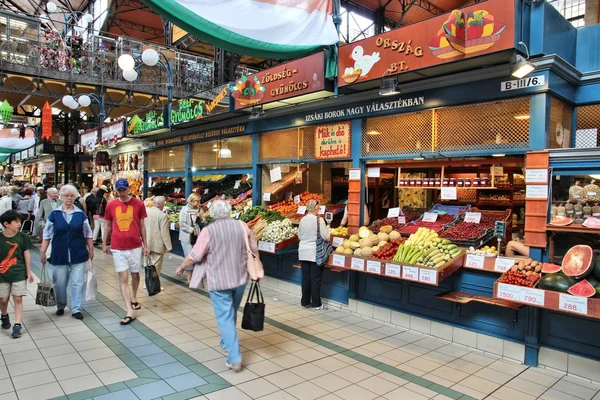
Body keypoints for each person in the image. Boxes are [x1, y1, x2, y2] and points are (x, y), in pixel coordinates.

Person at [176, 200, 257, 372]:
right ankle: (226, 341)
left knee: (225, 317)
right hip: (240, 278)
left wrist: (182, 266)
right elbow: (253, 248)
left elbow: (195, 255)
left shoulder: (209, 231)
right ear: (228, 211)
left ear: (212, 214)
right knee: (231, 312)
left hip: (219, 280)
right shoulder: (242, 226)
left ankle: (234, 357)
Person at [40, 185, 94, 320]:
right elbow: (47, 234)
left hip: (78, 252)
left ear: (75, 197)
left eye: (71, 196)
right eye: (66, 196)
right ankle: (61, 304)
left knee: (78, 282)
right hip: (59, 253)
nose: (69, 198)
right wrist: (43, 251)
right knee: (60, 282)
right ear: (61, 197)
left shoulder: (80, 214)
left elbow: (88, 233)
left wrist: (91, 249)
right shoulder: (55, 214)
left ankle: (76, 308)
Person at [103, 178, 150, 325]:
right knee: (123, 278)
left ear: (128, 189)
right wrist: (105, 243)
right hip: (118, 247)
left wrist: (146, 244)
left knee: (135, 274)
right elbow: (108, 226)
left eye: (124, 189)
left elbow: (142, 226)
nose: (122, 192)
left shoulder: (139, 204)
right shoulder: (111, 205)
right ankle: (129, 310)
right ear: (116, 190)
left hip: (135, 245)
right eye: (119, 190)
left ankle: (134, 297)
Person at [0, 210, 34, 338]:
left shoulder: (23, 237)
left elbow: (26, 253)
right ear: (6, 224)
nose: (19, 224)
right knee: (3, 299)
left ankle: (17, 325)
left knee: (18, 297)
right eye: (16, 222)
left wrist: (28, 271)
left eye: (19, 221)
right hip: (2, 274)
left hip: (18, 271)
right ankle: (4, 315)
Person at [298, 199, 330, 311]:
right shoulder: (319, 220)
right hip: (314, 252)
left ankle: (305, 302)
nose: (319, 209)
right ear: (316, 208)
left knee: (305, 278)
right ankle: (316, 303)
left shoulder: (302, 220)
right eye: (319, 207)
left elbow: (299, 236)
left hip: (302, 252)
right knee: (315, 279)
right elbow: (326, 237)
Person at [143, 195, 172, 290]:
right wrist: (169, 246)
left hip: (146, 242)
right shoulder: (162, 216)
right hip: (157, 243)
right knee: (156, 265)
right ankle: (153, 284)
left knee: (147, 263)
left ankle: (146, 282)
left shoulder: (146, 212)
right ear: (162, 204)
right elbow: (164, 233)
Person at [179, 192, 201, 283]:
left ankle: (195, 276)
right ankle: (189, 277)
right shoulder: (184, 211)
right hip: (186, 237)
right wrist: (192, 230)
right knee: (189, 256)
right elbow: (182, 224)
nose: (198, 203)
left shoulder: (199, 210)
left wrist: (201, 217)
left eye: (199, 201)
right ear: (191, 201)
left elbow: (204, 222)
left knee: (196, 256)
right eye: (196, 201)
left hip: (197, 236)